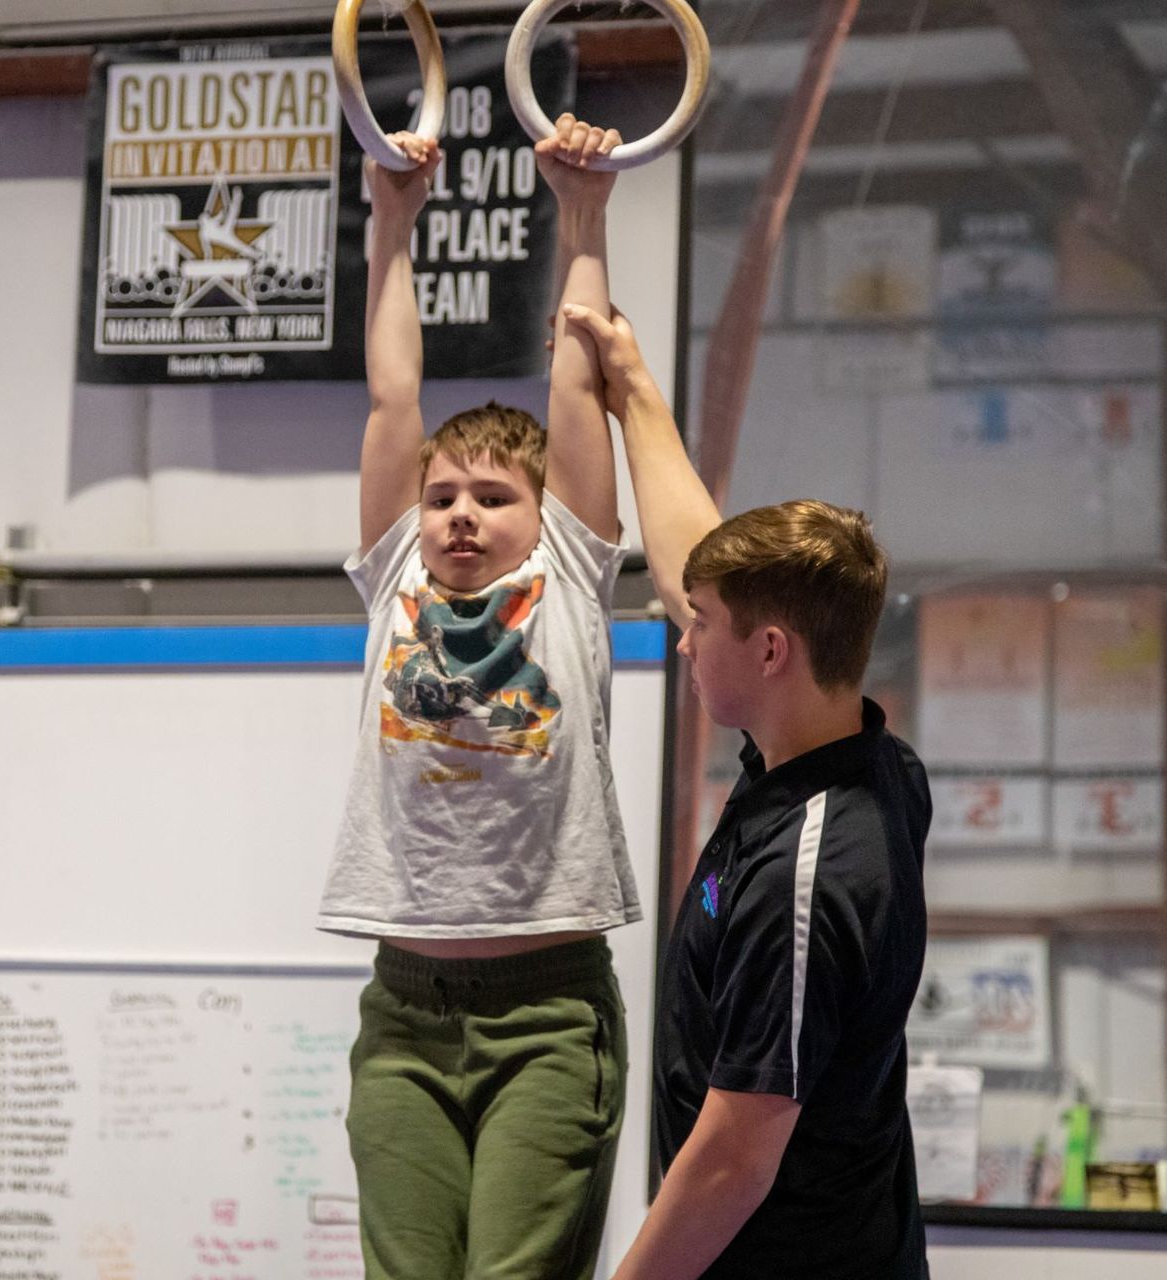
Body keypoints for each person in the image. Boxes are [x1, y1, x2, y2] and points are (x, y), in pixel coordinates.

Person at [319, 116, 639, 1280]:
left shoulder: (571, 569)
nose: (458, 513)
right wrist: (390, 220)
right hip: (404, 1006)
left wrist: (583, 209)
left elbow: (579, 382)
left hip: (548, 1009)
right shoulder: (395, 567)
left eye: (490, 496)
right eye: (443, 494)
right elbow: (391, 399)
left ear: (540, 512)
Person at [562, 300, 932, 1280]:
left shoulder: (805, 874)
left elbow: (735, 1154)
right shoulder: (863, 754)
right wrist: (634, 390)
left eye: (702, 626)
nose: (682, 636)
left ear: (771, 649)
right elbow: (703, 568)